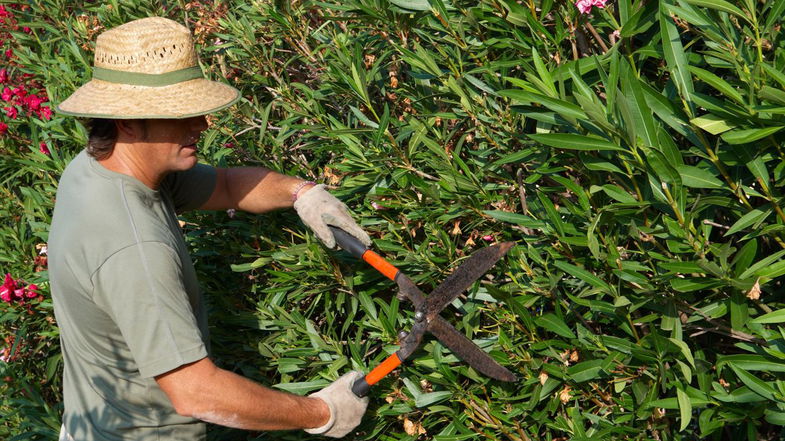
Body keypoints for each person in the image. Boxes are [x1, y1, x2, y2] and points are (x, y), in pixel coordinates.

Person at [49, 17, 370, 440]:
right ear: (126, 122)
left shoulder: (99, 166)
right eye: (181, 114)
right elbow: (196, 392)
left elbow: (225, 184)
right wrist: (320, 412)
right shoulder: (134, 248)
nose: (201, 124)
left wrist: (302, 193)